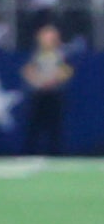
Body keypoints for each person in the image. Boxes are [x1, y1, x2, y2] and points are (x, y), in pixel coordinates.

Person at [24, 24, 72, 157]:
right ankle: (30, 153)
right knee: (34, 125)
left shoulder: (60, 55)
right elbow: (28, 71)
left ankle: (55, 153)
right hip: (39, 93)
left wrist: (54, 80)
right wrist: (38, 82)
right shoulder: (37, 55)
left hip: (54, 93)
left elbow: (66, 72)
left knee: (54, 126)